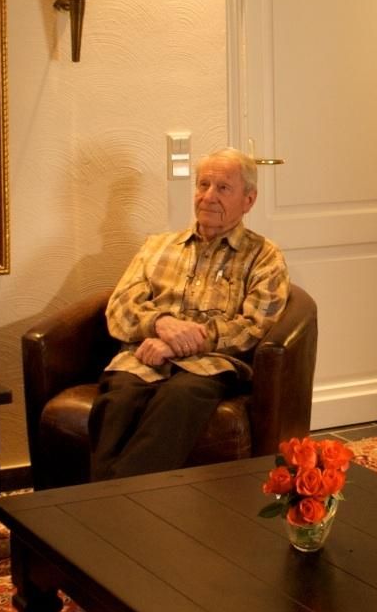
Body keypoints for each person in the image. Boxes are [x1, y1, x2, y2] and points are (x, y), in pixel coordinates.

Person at [89, 147, 290, 479]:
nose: (208, 196)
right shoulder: (157, 246)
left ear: (249, 200)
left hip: (209, 365)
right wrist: (160, 323)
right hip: (144, 357)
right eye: (203, 185)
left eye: (223, 188)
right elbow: (120, 307)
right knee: (118, 399)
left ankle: (108, 502)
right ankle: (107, 500)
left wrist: (182, 342)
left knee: (179, 399)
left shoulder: (264, 256)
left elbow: (254, 326)